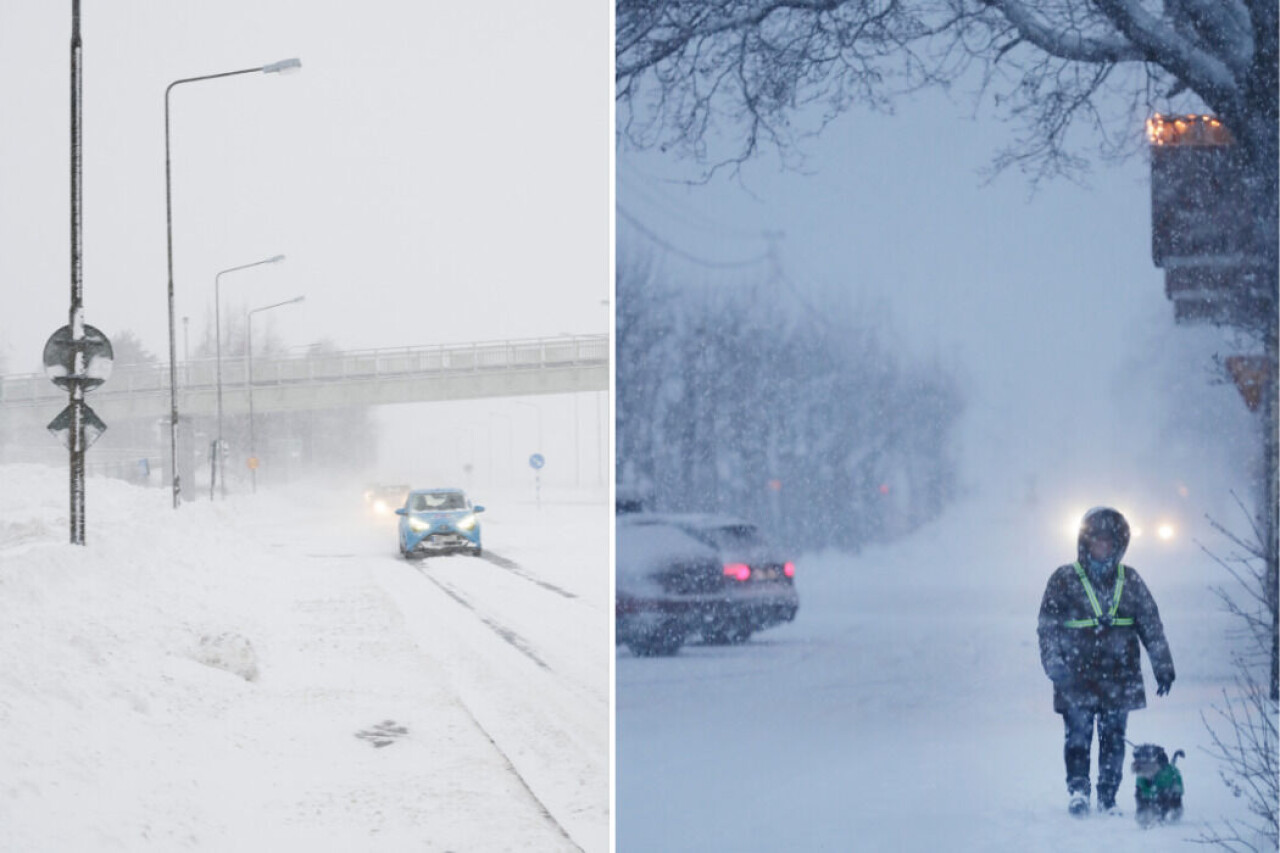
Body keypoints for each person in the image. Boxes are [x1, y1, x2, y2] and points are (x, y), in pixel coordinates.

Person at [1037, 506, 1175, 817]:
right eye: (1097, 541)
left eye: (1110, 542)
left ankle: (1108, 796)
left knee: (1113, 739)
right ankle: (1078, 791)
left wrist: (1163, 665)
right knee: (1078, 736)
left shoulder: (1131, 579)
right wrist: (1054, 663)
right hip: (1075, 675)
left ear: (1119, 545)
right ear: (1085, 544)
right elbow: (1047, 627)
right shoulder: (1064, 579)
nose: (1104, 547)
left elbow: (1150, 624)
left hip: (1119, 675)